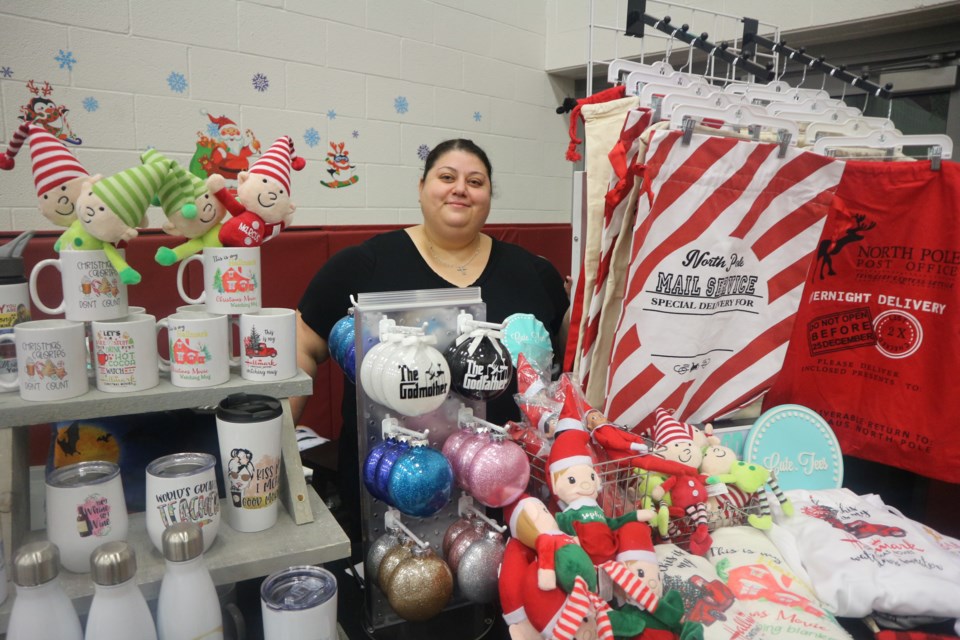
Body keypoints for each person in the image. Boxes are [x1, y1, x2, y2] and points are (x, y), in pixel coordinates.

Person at [293, 138, 570, 551]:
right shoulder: (363, 266)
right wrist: (276, 462)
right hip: (389, 496)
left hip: (508, 492)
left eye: (475, 181)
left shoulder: (534, 273)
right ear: (422, 187)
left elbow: (564, 366)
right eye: (447, 177)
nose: (461, 188)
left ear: (489, 196)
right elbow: (301, 350)